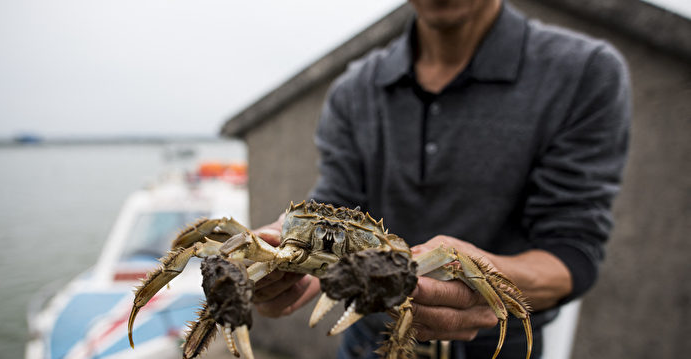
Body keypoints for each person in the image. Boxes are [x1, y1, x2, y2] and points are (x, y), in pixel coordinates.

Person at [253, 0, 630, 358]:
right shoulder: (354, 90)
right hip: (368, 341)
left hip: (500, 348)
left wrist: (490, 282)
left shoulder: (584, 72)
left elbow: (572, 248)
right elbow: (339, 201)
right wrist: (290, 264)